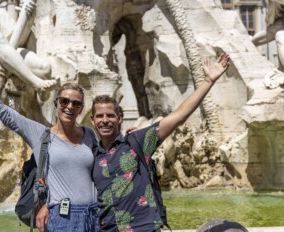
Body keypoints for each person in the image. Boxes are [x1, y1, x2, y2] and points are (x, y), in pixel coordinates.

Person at [0, 53, 100, 231]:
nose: (70, 107)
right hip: (61, 217)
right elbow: (0, 109)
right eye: (64, 101)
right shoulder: (41, 134)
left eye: (76, 104)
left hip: (93, 216)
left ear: (81, 109)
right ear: (56, 103)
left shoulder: (90, 135)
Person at [90, 54, 230, 231]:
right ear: (92, 120)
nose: (105, 120)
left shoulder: (138, 142)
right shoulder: (91, 155)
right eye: (100, 116)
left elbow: (178, 117)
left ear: (119, 118)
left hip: (144, 228)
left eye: (110, 115)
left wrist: (208, 81)